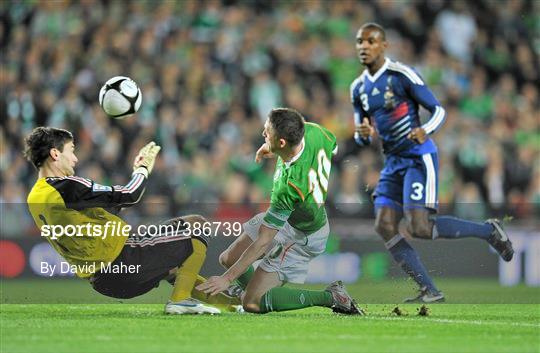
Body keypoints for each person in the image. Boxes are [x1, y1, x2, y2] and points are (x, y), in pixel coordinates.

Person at [350, 23, 514, 303]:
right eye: (359, 42)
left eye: (371, 41)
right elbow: (362, 136)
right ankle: (429, 289)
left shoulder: (402, 75)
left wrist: (427, 129)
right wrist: (361, 134)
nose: (364, 46)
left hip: (417, 156)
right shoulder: (358, 88)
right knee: (384, 224)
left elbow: (438, 110)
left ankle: (488, 231)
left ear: (384, 45)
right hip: (392, 162)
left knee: (419, 227)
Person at [25, 127, 238, 314]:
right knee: (198, 225)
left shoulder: (35, 196)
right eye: (71, 151)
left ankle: (232, 303)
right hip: (124, 260)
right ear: (55, 153)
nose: (75, 159)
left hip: (102, 280)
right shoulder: (65, 185)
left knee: (176, 254)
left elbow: (97, 215)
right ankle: (180, 301)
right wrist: (142, 169)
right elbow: (130, 195)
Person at [197, 108, 362, 315]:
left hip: (301, 236)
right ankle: (248, 291)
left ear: (282, 142)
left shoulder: (290, 186)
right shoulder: (314, 131)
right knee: (228, 258)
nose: (263, 134)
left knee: (252, 304)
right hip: (291, 218)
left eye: (267, 132)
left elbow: (264, 241)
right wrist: (273, 148)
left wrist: (226, 279)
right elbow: (333, 146)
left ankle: (332, 297)